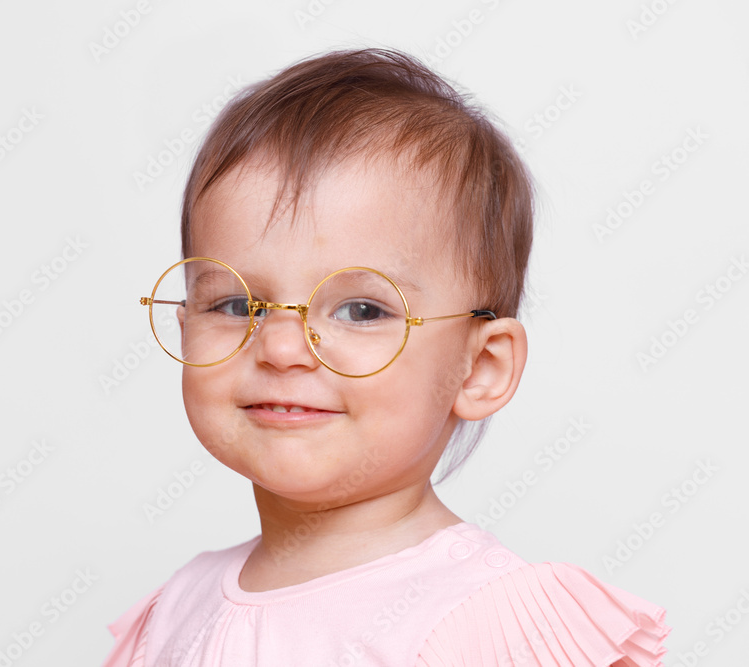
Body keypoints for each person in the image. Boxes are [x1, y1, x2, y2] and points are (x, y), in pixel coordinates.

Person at [102, 48, 669, 666]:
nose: (283, 347)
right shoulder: (177, 610)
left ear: (480, 369)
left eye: (361, 311)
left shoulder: (488, 622)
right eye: (238, 305)